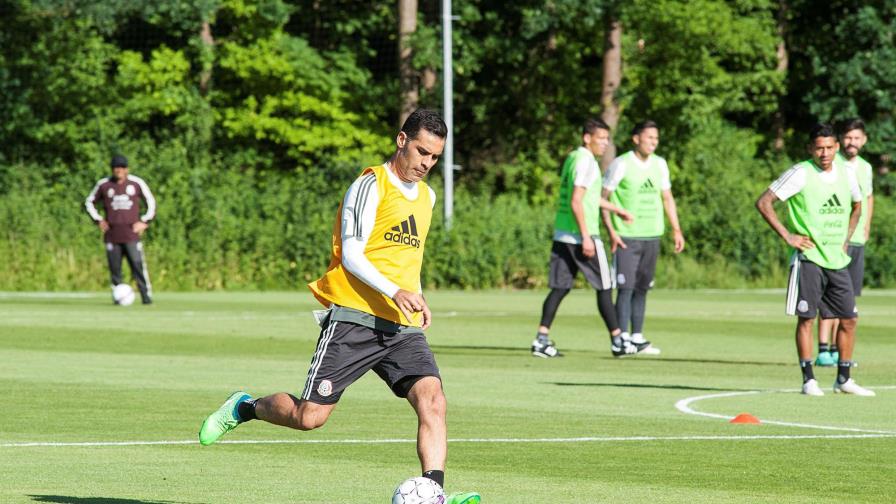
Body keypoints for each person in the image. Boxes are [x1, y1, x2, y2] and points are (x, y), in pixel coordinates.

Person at [197, 109, 480, 504]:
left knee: (433, 399)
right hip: (354, 317)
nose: (427, 163)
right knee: (309, 417)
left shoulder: (428, 197)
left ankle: (434, 492)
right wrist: (395, 290)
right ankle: (245, 407)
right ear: (401, 140)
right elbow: (352, 254)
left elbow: (405, 260)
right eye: (421, 152)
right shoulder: (370, 185)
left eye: (435, 157)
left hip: (400, 326)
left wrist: (415, 294)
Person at [755, 122, 873, 396]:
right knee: (807, 319)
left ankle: (844, 378)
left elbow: (858, 205)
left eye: (830, 147)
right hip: (808, 258)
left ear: (837, 147)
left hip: (837, 258)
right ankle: (809, 379)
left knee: (849, 319)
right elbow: (764, 202)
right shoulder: (800, 173)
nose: (824, 153)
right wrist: (788, 236)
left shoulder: (847, 172)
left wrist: (845, 238)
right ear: (810, 148)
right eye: (819, 148)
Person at [531, 118, 636, 358]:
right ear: (587, 138)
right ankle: (618, 340)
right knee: (605, 286)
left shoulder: (572, 158)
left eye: (607, 139)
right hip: (582, 237)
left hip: (563, 234)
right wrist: (587, 237)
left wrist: (616, 209)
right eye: (601, 139)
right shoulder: (586, 161)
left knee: (560, 288)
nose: (605, 144)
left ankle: (541, 340)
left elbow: (587, 198)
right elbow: (577, 200)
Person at [600, 121, 685, 354]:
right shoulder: (621, 164)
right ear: (636, 139)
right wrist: (612, 231)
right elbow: (603, 198)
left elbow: (667, 198)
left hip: (652, 234)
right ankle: (622, 338)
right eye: (649, 137)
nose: (653, 142)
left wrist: (676, 229)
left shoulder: (660, 164)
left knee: (642, 287)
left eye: (656, 138)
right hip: (626, 236)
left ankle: (637, 336)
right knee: (625, 287)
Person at [815, 119, 874, 367]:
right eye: (848, 138)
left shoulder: (865, 168)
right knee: (828, 296)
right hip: (833, 240)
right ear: (841, 142)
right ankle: (823, 349)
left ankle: (841, 351)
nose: (852, 142)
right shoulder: (833, 166)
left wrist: (867, 226)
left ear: (864, 140)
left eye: (857, 137)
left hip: (856, 239)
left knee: (847, 298)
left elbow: (867, 198)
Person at [84, 154, 156, 305]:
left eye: (122, 167)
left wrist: (144, 221)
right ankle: (118, 297)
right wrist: (98, 220)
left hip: (131, 234)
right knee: (115, 269)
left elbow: (151, 202)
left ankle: (146, 296)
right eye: (116, 167)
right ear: (112, 169)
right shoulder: (104, 185)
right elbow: (89, 202)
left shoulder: (136, 183)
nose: (119, 170)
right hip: (112, 235)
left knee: (137, 265)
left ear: (127, 169)